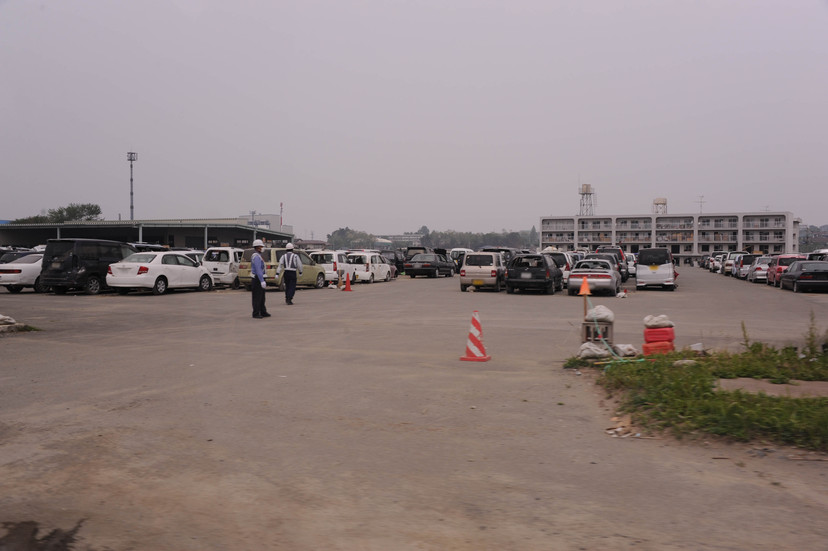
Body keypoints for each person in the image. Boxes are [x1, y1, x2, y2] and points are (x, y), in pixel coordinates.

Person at [250, 239, 270, 318]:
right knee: (257, 297)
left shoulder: (258, 256)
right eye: (261, 246)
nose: (263, 248)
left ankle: (263, 311)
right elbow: (258, 269)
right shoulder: (256, 257)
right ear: (258, 247)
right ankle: (256, 313)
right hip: (257, 279)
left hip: (260, 278)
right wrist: (262, 281)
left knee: (262, 297)